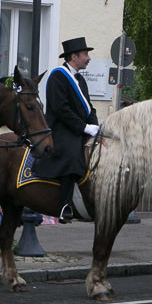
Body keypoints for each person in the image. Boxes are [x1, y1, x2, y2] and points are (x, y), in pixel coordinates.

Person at [32, 37, 100, 223]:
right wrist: (83, 127)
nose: (88, 58)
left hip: (79, 129)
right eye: (85, 54)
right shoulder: (58, 76)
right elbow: (61, 109)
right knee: (72, 154)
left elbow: (89, 107)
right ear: (74, 56)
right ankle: (64, 205)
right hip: (60, 130)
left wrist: (95, 125)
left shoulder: (80, 80)